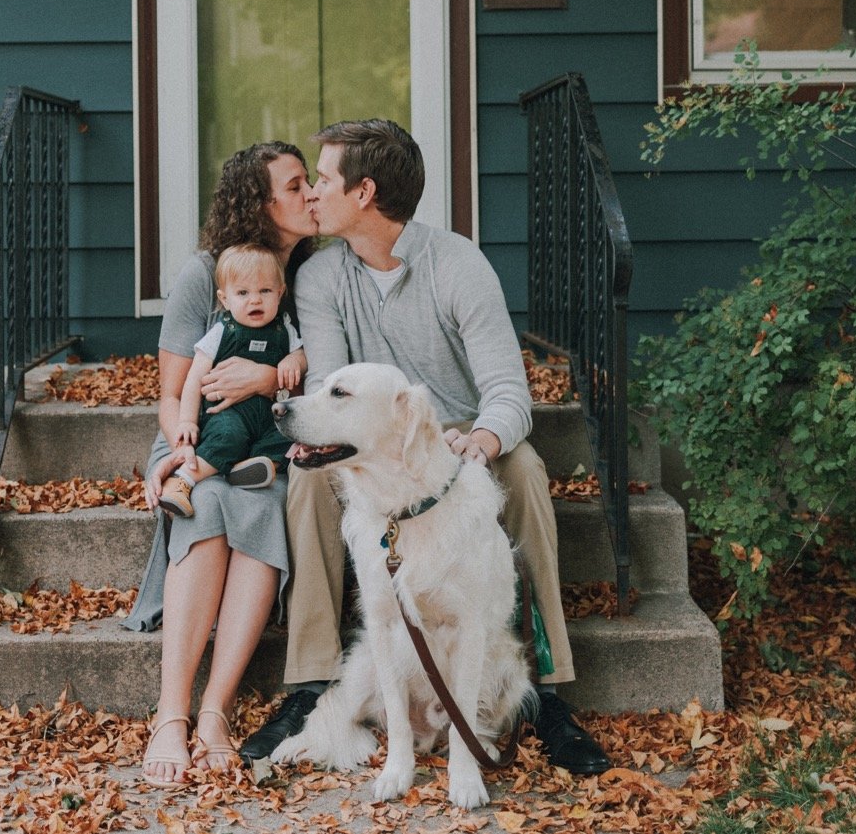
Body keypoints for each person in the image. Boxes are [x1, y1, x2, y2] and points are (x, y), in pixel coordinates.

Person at [239, 119, 614, 776]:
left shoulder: (459, 263)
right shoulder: (323, 276)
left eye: (325, 179)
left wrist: (481, 439)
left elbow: (508, 390)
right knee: (306, 483)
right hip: (378, 446)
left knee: (524, 470)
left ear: (366, 192)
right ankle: (311, 681)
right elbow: (332, 395)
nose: (315, 193)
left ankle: (548, 689)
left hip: (464, 444)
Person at [125, 142, 317, 785]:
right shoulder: (202, 275)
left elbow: (315, 383)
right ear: (261, 204)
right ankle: (171, 713)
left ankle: (215, 710)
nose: (311, 194)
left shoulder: (315, 276)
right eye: (295, 186)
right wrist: (181, 451)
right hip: (193, 437)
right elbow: (170, 394)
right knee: (203, 504)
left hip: (268, 442)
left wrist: (267, 380)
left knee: (261, 509)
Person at [153, 243, 307, 517]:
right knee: (228, 437)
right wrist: (187, 421)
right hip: (226, 414)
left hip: (267, 416)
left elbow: (301, 355)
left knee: (286, 439)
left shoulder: (285, 327)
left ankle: (250, 469)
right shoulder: (221, 331)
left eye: (265, 291)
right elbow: (193, 380)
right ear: (225, 299)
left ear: (280, 293)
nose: (255, 300)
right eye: (243, 293)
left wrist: (293, 360)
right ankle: (183, 481)